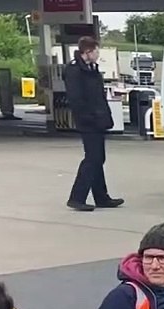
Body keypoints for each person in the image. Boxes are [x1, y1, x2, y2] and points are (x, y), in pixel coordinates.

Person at [64, 36, 123, 212]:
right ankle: (76, 197)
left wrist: (105, 117)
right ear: (88, 52)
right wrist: (89, 117)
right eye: (96, 51)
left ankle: (101, 197)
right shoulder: (75, 71)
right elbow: (76, 99)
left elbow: (98, 97)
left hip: (98, 120)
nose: (98, 54)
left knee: (98, 158)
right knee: (93, 158)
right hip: (88, 122)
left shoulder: (92, 69)